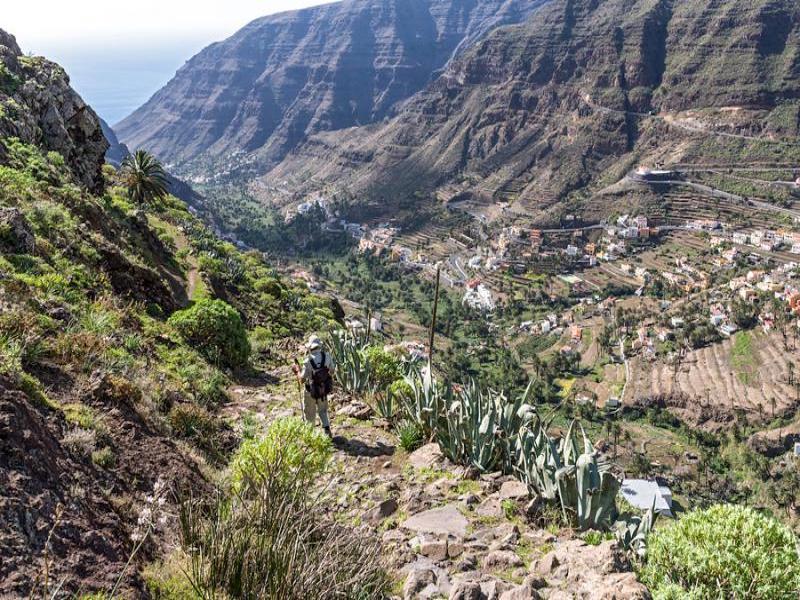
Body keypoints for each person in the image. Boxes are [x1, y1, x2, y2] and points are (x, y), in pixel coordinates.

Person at [293, 334, 334, 437]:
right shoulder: (327, 356)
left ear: (310, 347)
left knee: (310, 414)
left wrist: (297, 370)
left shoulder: (308, 361)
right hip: (323, 389)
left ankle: (310, 437)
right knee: (323, 411)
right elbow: (332, 371)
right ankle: (327, 432)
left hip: (310, 390)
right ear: (319, 345)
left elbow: (301, 379)